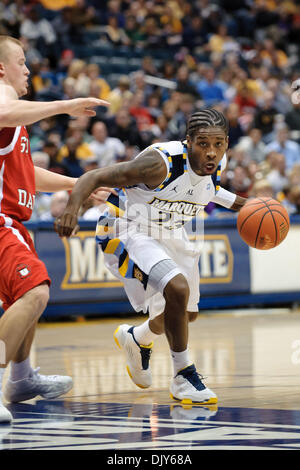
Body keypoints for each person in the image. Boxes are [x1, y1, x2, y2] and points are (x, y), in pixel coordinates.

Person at [55, 108, 247, 405]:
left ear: (226, 144)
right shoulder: (159, 163)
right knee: (177, 288)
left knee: (184, 313)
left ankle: (138, 338)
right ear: (188, 141)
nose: (211, 152)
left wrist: (253, 206)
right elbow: (94, 176)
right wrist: (71, 210)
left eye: (218, 144)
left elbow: (213, 191)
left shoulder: (215, 165)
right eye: (203, 144)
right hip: (129, 228)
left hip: (170, 233)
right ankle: (183, 375)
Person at [0, 35, 109, 423]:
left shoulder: (13, 112)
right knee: (36, 290)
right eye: (21, 61)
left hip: (11, 220)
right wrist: (66, 106)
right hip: (0, 221)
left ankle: (22, 378)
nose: (28, 69)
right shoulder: (2, 96)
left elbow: (25, 173)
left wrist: (77, 184)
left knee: (22, 297)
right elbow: (3, 113)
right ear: (1, 69)